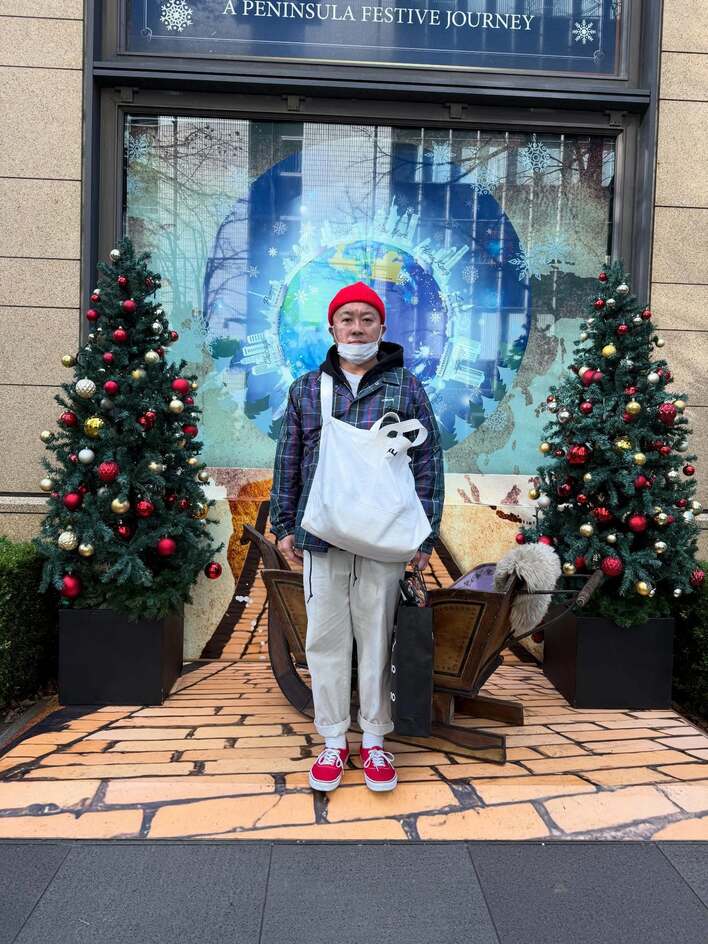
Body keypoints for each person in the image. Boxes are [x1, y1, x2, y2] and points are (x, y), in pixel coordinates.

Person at [270, 282, 444, 792]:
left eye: (367, 319)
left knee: (376, 638)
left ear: (382, 328)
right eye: (347, 319)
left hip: (384, 538)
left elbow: (429, 462)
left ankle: (373, 741)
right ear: (332, 328)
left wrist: (425, 536)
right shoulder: (307, 389)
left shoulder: (406, 388)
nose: (357, 328)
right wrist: (284, 524)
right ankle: (331, 741)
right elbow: (288, 460)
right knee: (324, 640)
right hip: (321, 535)